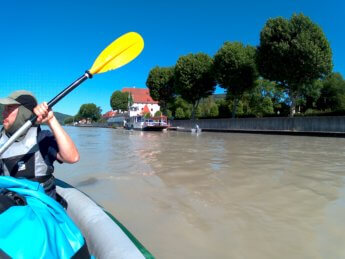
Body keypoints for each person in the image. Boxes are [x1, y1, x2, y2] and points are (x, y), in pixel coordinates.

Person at [0, 90, 79, 199]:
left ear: (24, 112)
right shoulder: (1, 141)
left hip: (40, 206)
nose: (3, 113)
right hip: (10, 205)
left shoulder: (42, 138)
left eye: (9, 108)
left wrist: (51, 120)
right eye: (4, 109)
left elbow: (72, 157)